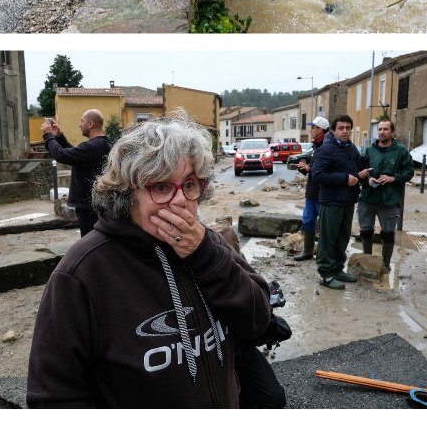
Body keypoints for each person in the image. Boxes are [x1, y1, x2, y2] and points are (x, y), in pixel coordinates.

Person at [27, 114, 272, 408]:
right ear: (127, 194)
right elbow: (52, 398)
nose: (181, 201)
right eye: (161, 187)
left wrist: (206, 256)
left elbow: (258, 322)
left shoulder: (210, 242)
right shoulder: (82, 274)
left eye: (190, 184)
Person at [211, 223, 288, 409]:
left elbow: (262, 321)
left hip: (240, 347)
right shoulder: (195, 270)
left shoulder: (243, 271)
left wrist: (268, 316)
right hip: (211, 349)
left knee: (273, 399)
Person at [309, 114, 370, 289]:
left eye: (348, 128)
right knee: (328, 240)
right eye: (341, 128)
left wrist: (361, 174)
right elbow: (317, 174)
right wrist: (345, 179)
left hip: (348, 201)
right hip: (331, 202)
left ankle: (337, 269)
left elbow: (355, 170)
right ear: (333, 131)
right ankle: (326, 275)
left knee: (342, 238)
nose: (345, 131)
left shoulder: (351, 148)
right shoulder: (326, 149)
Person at [40, 109, 112, 237]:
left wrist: (48, 136)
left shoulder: (93, 146)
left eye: (82, 121)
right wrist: (58, 136)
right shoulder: (102, 144)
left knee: (90, 242)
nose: (79, 124)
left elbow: (61, 155)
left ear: (90, 124)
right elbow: (75, 156)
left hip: (89, 208)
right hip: (95, 204)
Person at [359, 120, 414, 268]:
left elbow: (409, 172)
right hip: (368, 198)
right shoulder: (369, 150)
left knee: (388, 233)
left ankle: (385, 264)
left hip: (390, 199)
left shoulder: (401, 151)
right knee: (365, 231)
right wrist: (369, 179)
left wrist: (393, 178)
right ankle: (367, 262)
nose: (382, 132)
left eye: (385, 129)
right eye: (380, 129)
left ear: (392, 132)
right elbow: (361, 170)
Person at [291, 117, 329, 262]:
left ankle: (324, 254)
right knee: (307, 221)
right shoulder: (315, 146)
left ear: (320, 130)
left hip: (323, 194)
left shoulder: (327, 147)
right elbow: (314, 170)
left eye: (313, 127)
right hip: (312, 192)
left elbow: (326, 171)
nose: (310, 130)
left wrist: (309, 168)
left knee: (325, 225)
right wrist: (305, 169)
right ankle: (307, 251)